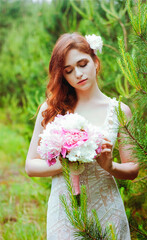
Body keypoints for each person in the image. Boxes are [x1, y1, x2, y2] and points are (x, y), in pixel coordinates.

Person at [25, 32, 139, 240]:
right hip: (65, 212)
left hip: (107, 209)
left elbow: (133, 169)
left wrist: (110, 167)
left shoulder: (120, 111)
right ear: (63, 76)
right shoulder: (52, 110)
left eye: (83, 63)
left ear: (95, 61)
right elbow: (31, 166)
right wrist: (67, 163)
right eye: (69, 71)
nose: (78, 74)